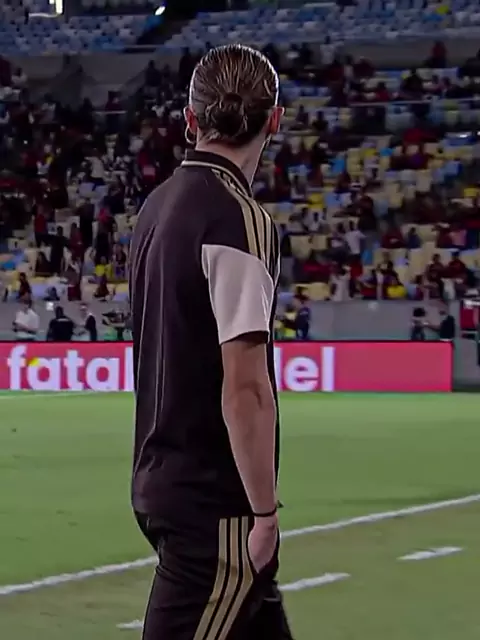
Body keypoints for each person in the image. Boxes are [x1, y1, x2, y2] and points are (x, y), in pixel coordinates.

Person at [129, 44, 293, 640]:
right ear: (274, 120)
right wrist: (265, 512)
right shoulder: (238, 220)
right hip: (214, 506)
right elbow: (245, 388)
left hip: (160, 475)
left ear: (190, 119)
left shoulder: (156, 208)